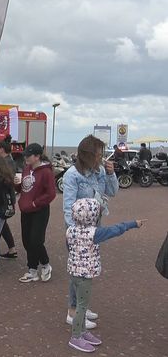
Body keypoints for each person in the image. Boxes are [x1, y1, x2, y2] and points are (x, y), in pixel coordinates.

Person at [66, 198, 145, 353]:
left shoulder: (70, 230)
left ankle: (82, 332)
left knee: (81, 303)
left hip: (74, 272)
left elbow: (69, 248)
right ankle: (76, 337)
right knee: (82, 305)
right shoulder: (94, 233)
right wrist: (133, 223)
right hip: (85, 275)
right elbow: (115, 230)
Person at [63, 134, 118, 329]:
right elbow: (68, 207)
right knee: (78, 272)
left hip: (94, 228)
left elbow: (111, 192)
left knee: (88, 270)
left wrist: (111, 174)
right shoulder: (72, 175)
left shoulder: (100, 171)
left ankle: (82, 307)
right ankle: (73, 311)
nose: (101, 158)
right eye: (98, 154)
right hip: (78, 232)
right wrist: (77, 235)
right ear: (87, 155)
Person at [15, 143, 56, 283]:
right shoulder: (26, 169)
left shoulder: (46, 172)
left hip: (39, 210)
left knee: (36, 240)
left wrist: (35, 203)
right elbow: (24, 188)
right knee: (27, 240)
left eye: (29, 155)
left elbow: (51, 193)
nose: (25, 157)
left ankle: (45, 264)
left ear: (37, 156)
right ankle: (32, 270)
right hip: (26, 209)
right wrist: (17, 184)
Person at [0, 135, 18, 260]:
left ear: (2, 149)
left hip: (4, 198)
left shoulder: (7, 162)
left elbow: (7, 181)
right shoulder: (8, 160)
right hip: (6, 198)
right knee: (2, 224)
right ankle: (12, 249)